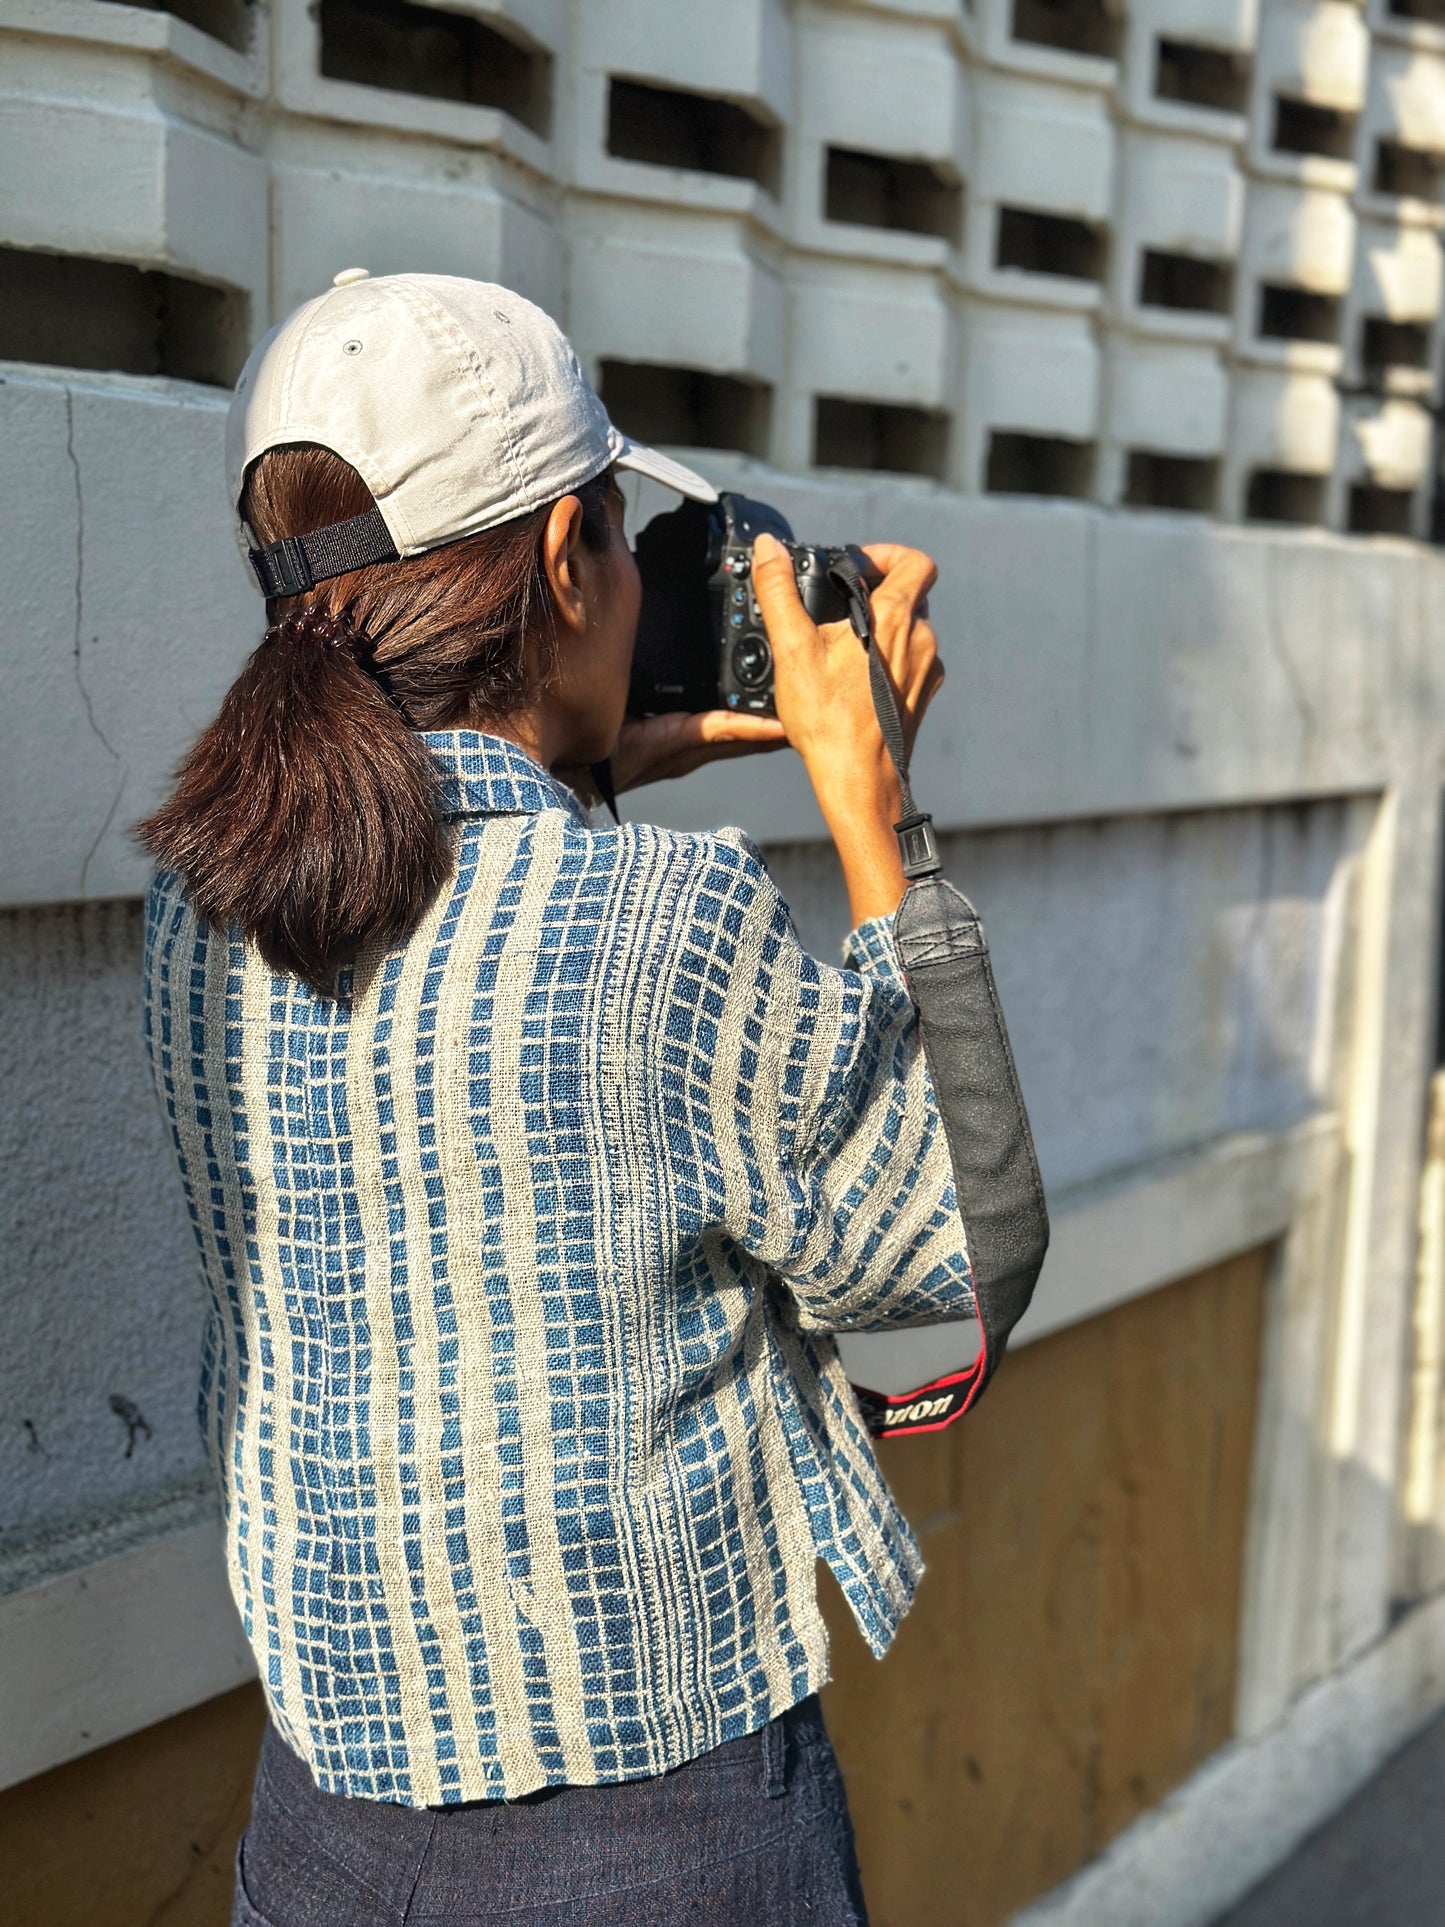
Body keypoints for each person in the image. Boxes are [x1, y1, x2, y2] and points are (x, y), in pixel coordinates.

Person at [139, 270, 967, 1927]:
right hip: (656, 1835)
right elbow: (928, 1285)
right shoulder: (667, 924)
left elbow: (451, 935)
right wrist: (874, 812)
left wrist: (571, 765)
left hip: (321, 1834)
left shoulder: (197, 911)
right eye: (608, 529)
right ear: (557, 561)